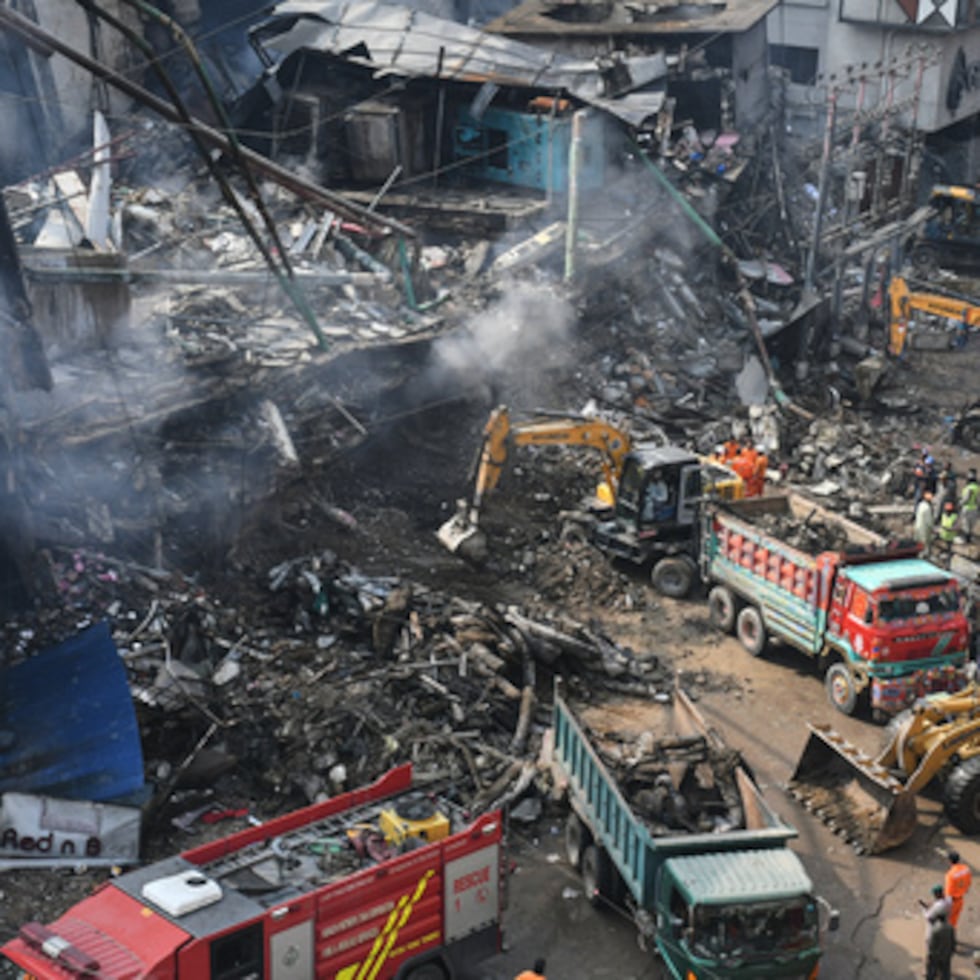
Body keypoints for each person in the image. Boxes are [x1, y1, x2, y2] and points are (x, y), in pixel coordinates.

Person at [945, 850, 973, 931]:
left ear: (950, 861)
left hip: (953, 902)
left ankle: (948, 938)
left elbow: (948, 893)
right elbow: (968, 883)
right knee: (954, 920)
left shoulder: (950, 875)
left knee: (947, 921)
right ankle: (952, 934)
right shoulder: (966, 869)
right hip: (960, 900)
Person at [927, 910, 954, 980]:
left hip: (936, 954)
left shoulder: (935, 929)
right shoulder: (950, 927)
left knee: (932, 970)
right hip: (946, 954)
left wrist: (930, 953)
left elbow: (932, 943)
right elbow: (953, 941)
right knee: (945, 972)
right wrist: (951, 951)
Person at [915, 492, 936, 557]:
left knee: (919, 543)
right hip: (924, 528)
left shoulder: (920, 505)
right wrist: (933, 529)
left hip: (918, 526)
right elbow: (929, 521)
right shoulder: (927, 508)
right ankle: (925, 556)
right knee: (925, 544)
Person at [962, 468, 979, 544]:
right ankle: (969, 537)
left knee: (966, 524)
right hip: (975, 508)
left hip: (967, 508)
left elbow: (966, 499)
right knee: (971, 525)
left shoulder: (969, 488)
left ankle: (966, 539)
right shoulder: (977, 488)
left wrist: (960, 503)